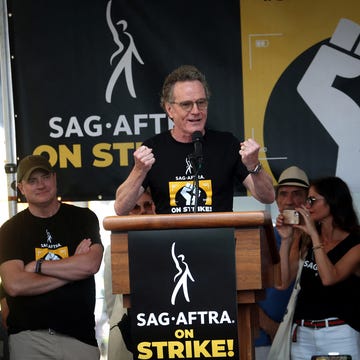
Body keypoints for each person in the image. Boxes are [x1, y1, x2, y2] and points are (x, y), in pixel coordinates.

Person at [114, 64, 275, 215]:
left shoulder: (226, 144)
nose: (196, 111)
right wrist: (139, 170)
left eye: (201, 102)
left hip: (218, 242)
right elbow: (121, 208)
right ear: (169, 109)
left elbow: (267, 197)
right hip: (171, 244)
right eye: (186, 104)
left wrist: (254, 165)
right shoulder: (153, 148)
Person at [0, 155, 103, 360]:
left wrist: (37, 266)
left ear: (55, 178)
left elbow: (91, 264)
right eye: (32, 180)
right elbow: (15, 284)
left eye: (45, 177)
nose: (40, 185)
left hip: (80, 338)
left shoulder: (83, 218)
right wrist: (73, 269)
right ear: (21, 188)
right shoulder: (10, 230)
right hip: (29, 340)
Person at [277, 176, 360, 360]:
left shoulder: (355, 243)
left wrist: (314, 235)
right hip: (303, 332)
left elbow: (329, 277)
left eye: (312, 200)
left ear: (333, 201)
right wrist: (286, 240)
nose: (307, 206)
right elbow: (283, 282)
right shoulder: (304, 239)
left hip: (338, 331)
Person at [255, 166, 309, 359]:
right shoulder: (262, 237)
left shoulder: (316, 239)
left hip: (305, 337)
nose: (289, 201)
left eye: (297, 194)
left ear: (307, 200)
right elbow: (240, 291)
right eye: (284, 194)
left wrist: (298, 235)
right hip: (262, 338)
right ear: (276, 200)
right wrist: (270, 326)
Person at [104, 189, 155, 360]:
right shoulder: (114, 249)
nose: (142, 210)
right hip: (125, 328)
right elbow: (111, 301)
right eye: (134, 207)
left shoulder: (172, 243)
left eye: (147, 204)